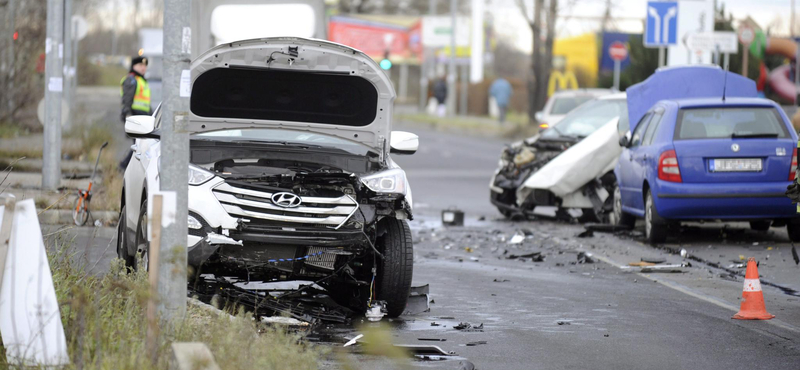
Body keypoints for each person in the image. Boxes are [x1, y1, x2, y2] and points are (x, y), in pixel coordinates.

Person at [119, 56, 152, 169]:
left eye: (145, 65)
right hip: (135, 117)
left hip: (143, 118)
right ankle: (124, 167)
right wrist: (128, 116)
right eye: (140, 65)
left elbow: (146, 104)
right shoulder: (132, 80)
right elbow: (127, 100)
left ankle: (126, 167)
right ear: (134, 66)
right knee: (140, 146)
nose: (143, 68)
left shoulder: (141, 80)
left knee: (141, 145)